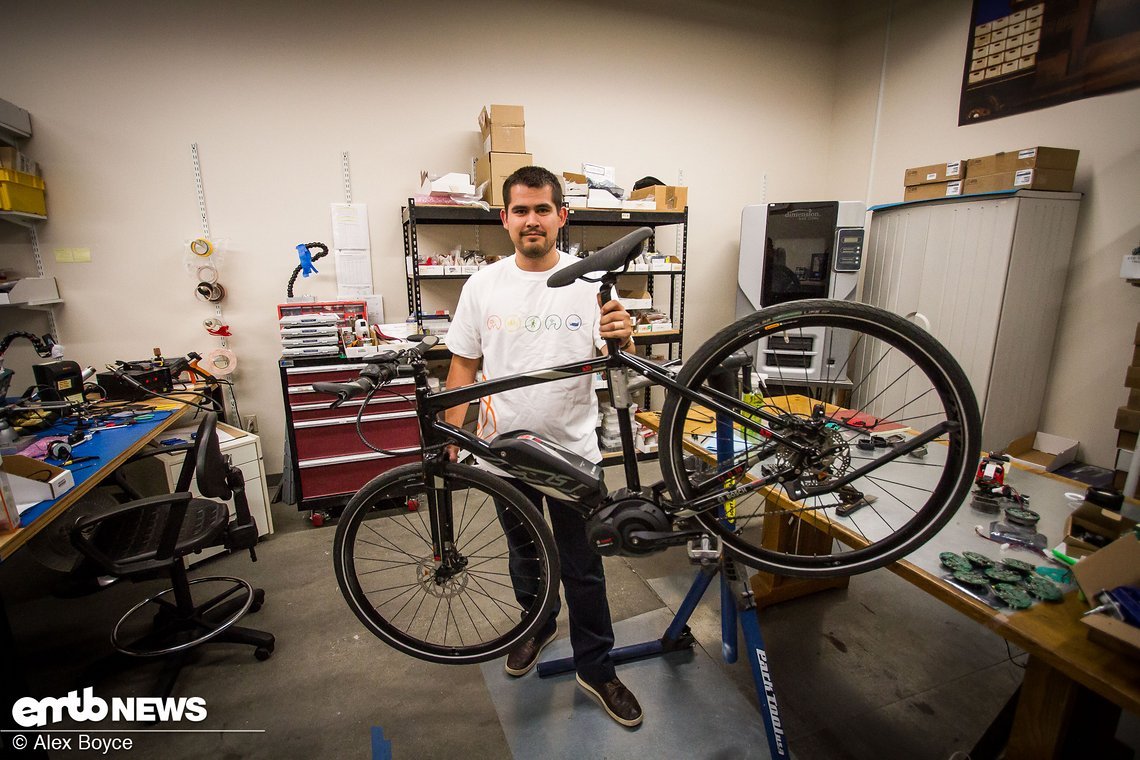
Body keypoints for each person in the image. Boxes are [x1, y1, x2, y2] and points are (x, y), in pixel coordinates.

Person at [442, 165, 643, 728]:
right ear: (504, 219)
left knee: (584, 566)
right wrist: (451, 436)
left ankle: (597, 667)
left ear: (562, 216)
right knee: (526, 554)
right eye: (521, 210)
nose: (532, 220)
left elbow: (616, 362)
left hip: (572, 453)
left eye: (542, 209)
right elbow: (463, 365)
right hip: (504, 453)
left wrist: (624, 335)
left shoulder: (590, 283)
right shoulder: (482, 286)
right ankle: (538, 624)